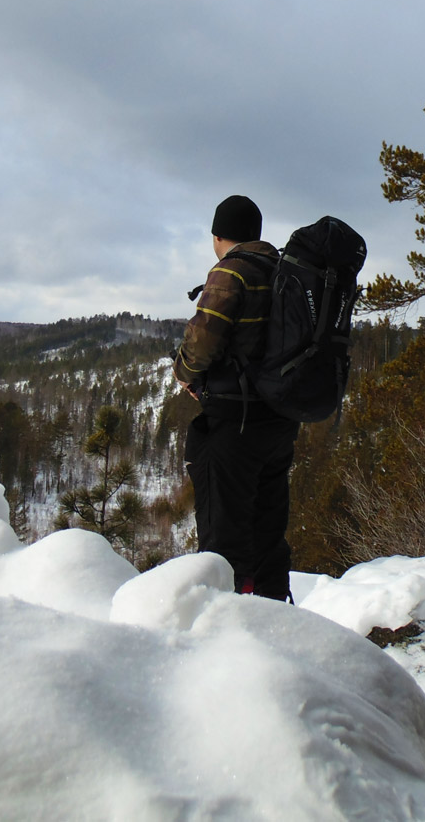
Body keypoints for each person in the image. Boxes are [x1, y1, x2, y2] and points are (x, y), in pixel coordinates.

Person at [173, 195, 300, 600]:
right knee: (267, 533)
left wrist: (184, 375)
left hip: (234, 425)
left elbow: (203, 341)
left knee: (222, 542)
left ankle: (223, 629)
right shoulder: (283, 273)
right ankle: (275, 615)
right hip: (278, 421)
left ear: (218, 235)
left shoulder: (231, 272)